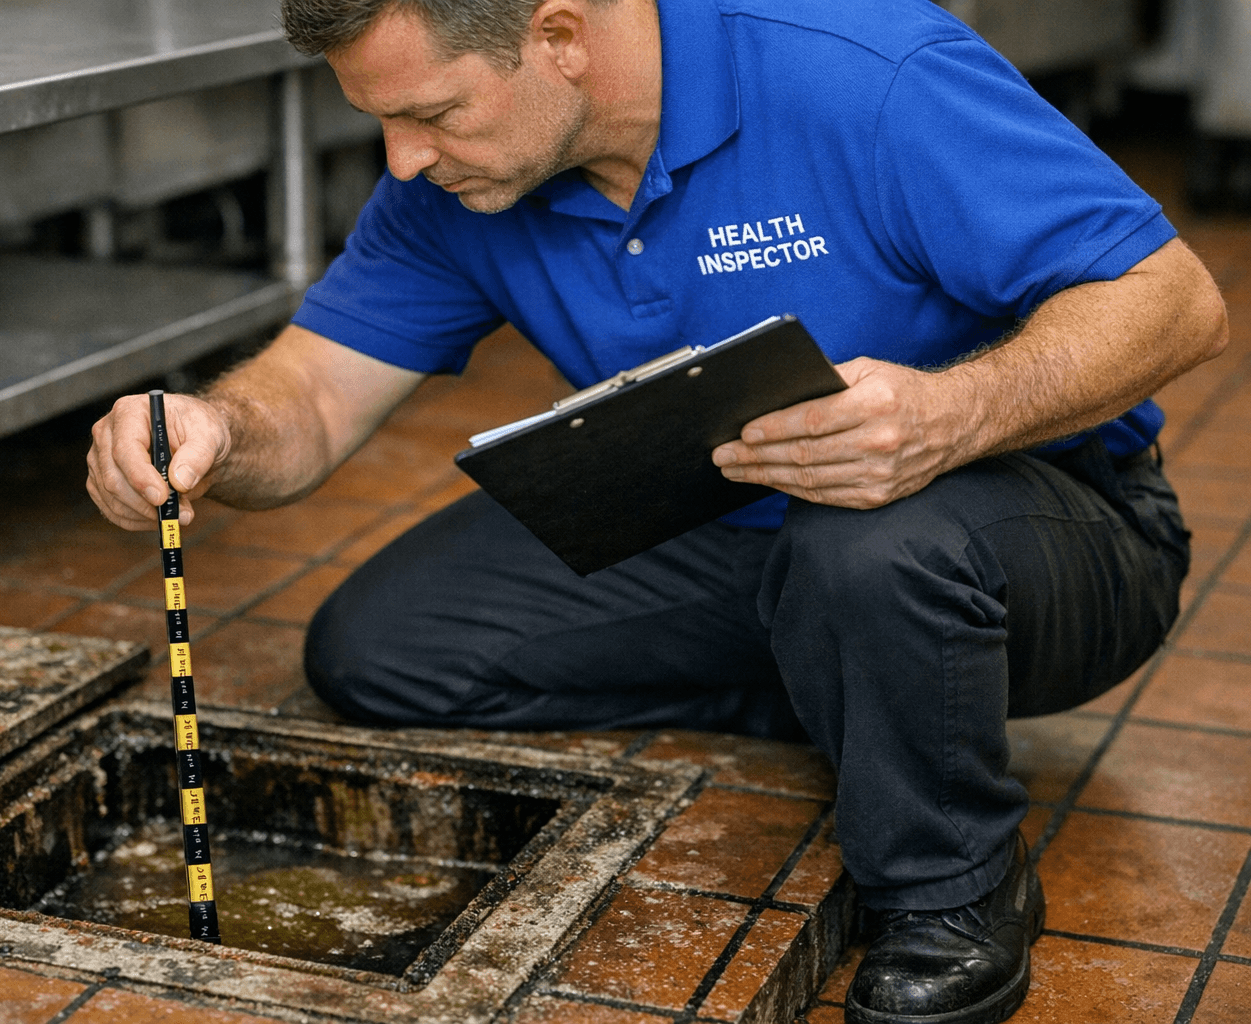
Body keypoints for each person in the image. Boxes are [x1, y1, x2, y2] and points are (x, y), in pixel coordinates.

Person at [86, 0, 1228, 1020]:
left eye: (431, 112)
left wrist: (952, 413)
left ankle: (953, 888)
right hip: (724, 522)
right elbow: (317, 398)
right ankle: (848, 678)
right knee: (383, 649)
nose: (404, 157)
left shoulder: (866, 69)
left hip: (1044, 527)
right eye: (383, 121)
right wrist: (217, 429)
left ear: (561, 37)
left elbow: (1176, 302)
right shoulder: (458, 179)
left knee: (864, 539)